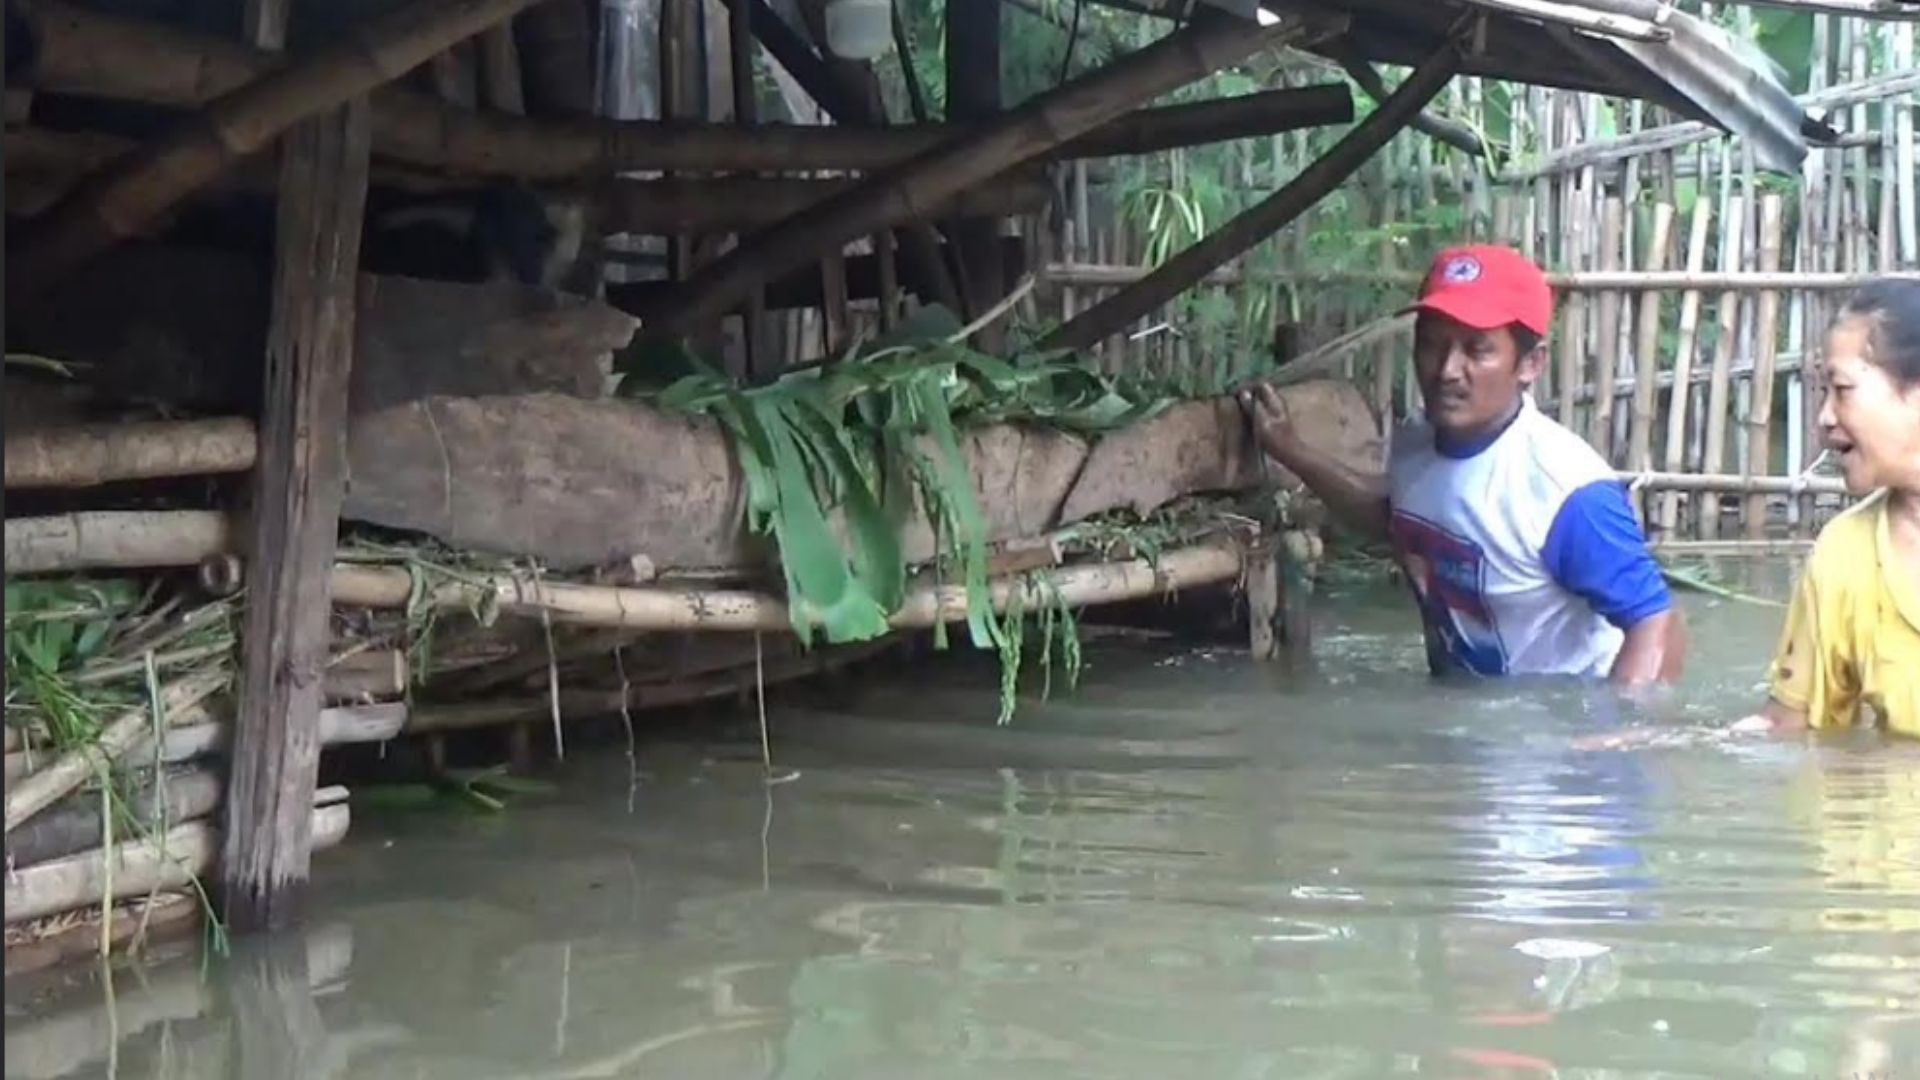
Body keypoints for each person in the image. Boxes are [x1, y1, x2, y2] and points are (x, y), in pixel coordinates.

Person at [1240, 244, 1684, 687]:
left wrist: (1613, 742)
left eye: (1477, 349)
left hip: (1556, 729)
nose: (1448, 370)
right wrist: (1288, 448)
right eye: (1432, 345)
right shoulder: (1417, 439)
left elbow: (1657, 624)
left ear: (1530, 363)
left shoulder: (1566, 491)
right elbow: (1393, 516)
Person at [1735, 280, 1920, 737]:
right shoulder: (1845, 555)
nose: (1825, 417)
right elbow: (1794, 727)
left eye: (1842, 389)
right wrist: (1669, 743)